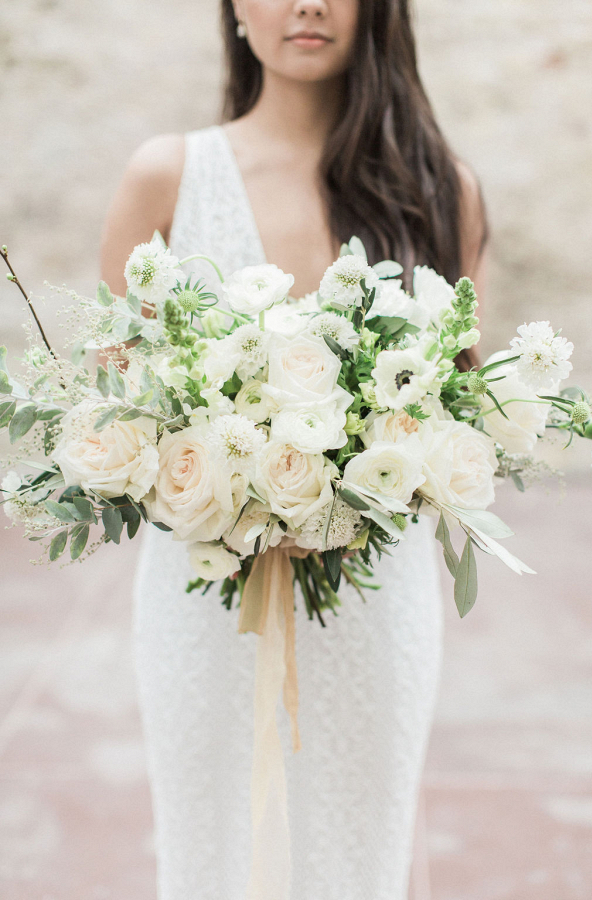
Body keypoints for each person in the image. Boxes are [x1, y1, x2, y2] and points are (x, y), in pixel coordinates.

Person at [100, 1, 487, 897]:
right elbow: (117, 408)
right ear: (235, 9)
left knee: (360, 854)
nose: (307, 2)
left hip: (376, 596)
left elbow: (452, 411)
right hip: (204, 593)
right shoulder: (167, 177)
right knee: (209, 850)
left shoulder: (440, 188)